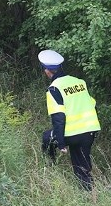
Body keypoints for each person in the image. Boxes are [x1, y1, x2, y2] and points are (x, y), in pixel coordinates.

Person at [39, 49, 101, 191]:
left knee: (47, 138)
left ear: (47, 71)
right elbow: (93, 105)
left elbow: (58, 118)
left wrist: (61, 144)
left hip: (72, 134)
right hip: (90, 131)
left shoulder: (54, 88)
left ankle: (50, 168)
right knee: (82, 167)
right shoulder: (79, 82)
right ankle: (90, 194)